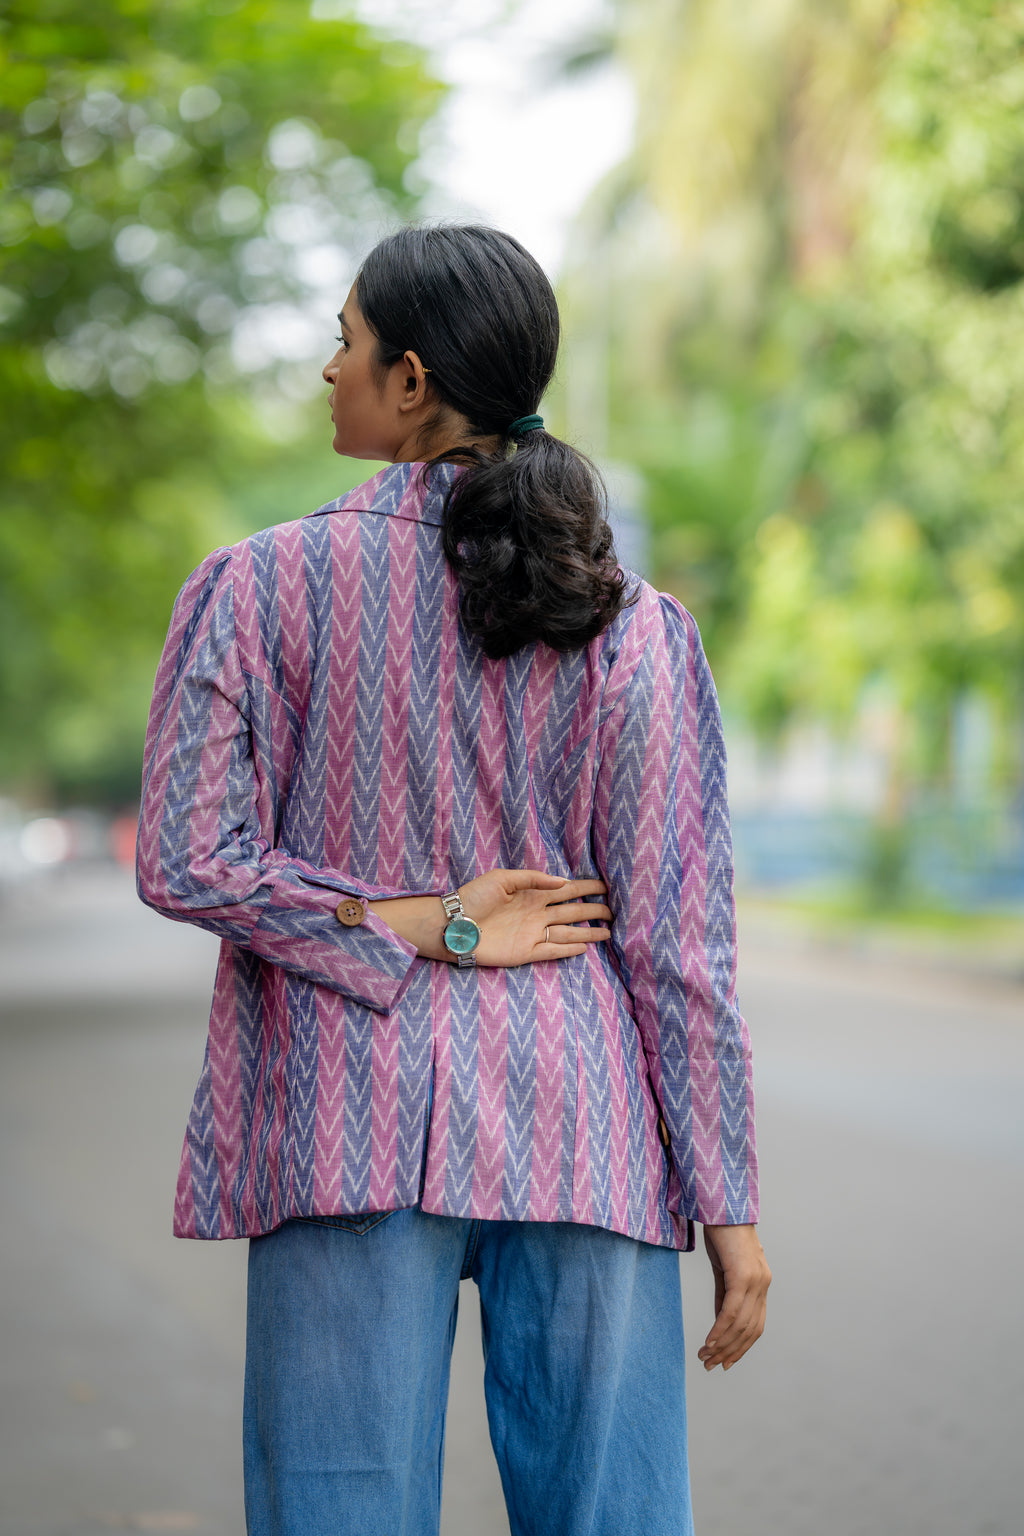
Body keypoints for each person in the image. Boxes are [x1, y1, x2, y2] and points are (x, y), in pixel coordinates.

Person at [137, 223, 770, 1536]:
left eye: (345, 341)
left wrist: (386, 924)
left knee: (338, 1514)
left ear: (412, 379)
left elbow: (187, 857)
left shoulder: (255, 590)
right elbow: (679, 943)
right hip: (585, 1129)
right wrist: (730, 1207)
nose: (328, 370)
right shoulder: (632, 624)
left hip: (341, 1120)